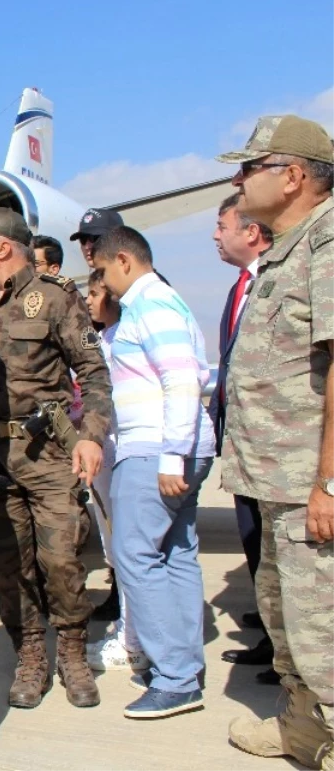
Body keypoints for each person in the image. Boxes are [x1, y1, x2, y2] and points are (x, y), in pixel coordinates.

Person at [0, 207, 112, 710]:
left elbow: (94, 374)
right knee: (8, 565)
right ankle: (29, 653)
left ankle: (70, 649)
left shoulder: (55, 298)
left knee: (61, 559)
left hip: (47, 452)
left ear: (3, 246)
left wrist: (90, 436)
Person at [216, 115, 334, 768]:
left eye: (249, 167)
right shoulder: (287, 251)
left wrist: (329, 482)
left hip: (306, 484)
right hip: (273, 481)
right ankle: (303, 730)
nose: (237, 179)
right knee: (287, 624)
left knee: (325, 628)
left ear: (292, 176)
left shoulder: (329, 241)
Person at [93, 227, 216, 720]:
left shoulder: (152, 304)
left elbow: (182, 378)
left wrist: (170, 457)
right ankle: (184, 666)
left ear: (123, 260)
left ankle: (175, 678)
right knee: (176, 555)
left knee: (134, 556)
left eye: (101, 272)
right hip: (173, 447)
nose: (101, 284)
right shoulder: (162, 302)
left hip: (155, 449)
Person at [209, 193, 278, 684]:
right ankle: (275, 630)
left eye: (223, 226)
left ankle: (284, 647)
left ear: (251, 232)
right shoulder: (242, 286)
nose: (216, 235)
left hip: (275, 449)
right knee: (255, 540)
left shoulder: (276, 281)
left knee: (275, 546)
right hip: (246, 446)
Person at [82, 269, 147, 675]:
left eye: (92, 294)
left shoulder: (123, 337)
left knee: (129, 550)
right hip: (108, 457)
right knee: (117, 549)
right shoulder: (104, 338)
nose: (87, 302)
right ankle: (132, 634)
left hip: (121, 454)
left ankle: (133, 643)